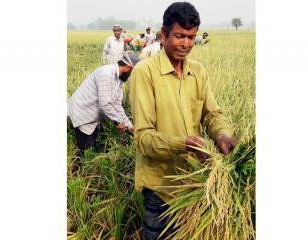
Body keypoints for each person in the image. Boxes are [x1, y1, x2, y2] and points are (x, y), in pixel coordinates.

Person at [129, 2, 237, 239]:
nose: (186, 44)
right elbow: (144, 138)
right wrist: (186, 143)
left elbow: (212, 114)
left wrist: (222, 135)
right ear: (163, 34)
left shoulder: (198, 72)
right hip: (161, 188)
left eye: (191, 37)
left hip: (195, 182)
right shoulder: (144, 73)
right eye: (179, 36)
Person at [68, 51, 139, 156]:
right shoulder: (106, 74)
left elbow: (117, 105)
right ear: (129, 67)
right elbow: (105, 104)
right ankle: (81, 166)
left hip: (93, 114)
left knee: (96, 143)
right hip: (82, 112)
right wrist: (119, 122)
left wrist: (130, 127)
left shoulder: (119, 79)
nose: (131, 75)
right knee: (87, 150)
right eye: (132, 72)